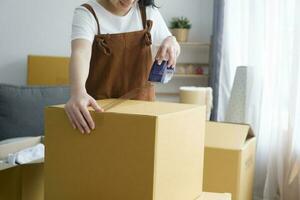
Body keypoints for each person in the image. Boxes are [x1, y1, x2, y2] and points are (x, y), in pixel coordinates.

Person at [64, 0, 180, 134]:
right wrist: (78, 92)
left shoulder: (147, 11)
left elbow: (171, 44)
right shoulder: (87, 13)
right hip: (99, 116)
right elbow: (80, 52)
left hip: (143, 112)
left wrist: (173, 42)